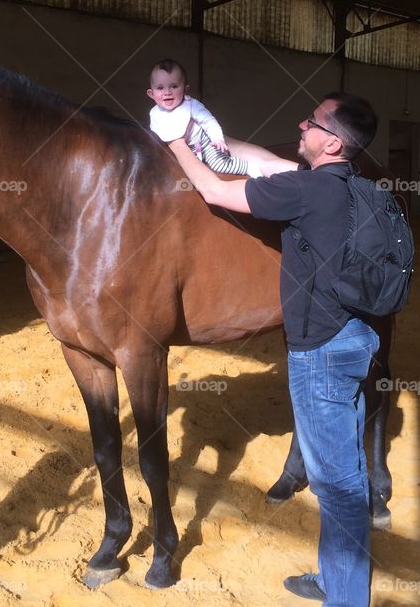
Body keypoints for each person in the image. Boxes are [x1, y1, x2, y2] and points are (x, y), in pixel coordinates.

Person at [159, 93, 380, 607]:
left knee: (337, 486)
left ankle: (345, 599)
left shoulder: (305, 192)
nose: (301, 124)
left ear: (332, 141)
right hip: (356, 339)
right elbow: (256, 160)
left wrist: (172, 140)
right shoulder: (356, 188)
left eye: (313, 121)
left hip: (321, 352)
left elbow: (214, 189)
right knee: (347, 471)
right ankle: (332, 577)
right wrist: (205, 135)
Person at [146, 59, 264, 177]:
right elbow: (155, 137)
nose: (167, 92)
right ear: (151, 94)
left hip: (204, 142)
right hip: (182, 150)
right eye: (160, 88)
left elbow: (209, 121)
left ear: (185, 89)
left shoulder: (191, 105)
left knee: (219, 164)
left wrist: (217, 138)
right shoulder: (155, 114)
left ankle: (249, 167)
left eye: (174, 86)